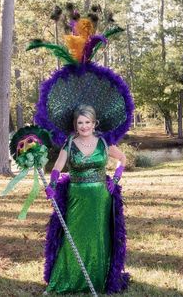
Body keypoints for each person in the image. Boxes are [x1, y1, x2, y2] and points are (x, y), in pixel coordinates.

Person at [44, 104, 130, 295]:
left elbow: (122, 158)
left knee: (99, 237)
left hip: (101, 197)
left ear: (94, 123)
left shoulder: (104, 142)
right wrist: (52, 185)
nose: (84, 126)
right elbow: (58, 166)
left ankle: (98, 279)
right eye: (80, 122)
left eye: (87, 122)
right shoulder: (69, 143)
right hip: (77, 197)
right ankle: (68, 278)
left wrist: (115, 180)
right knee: (73, 236)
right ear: (76, 124)